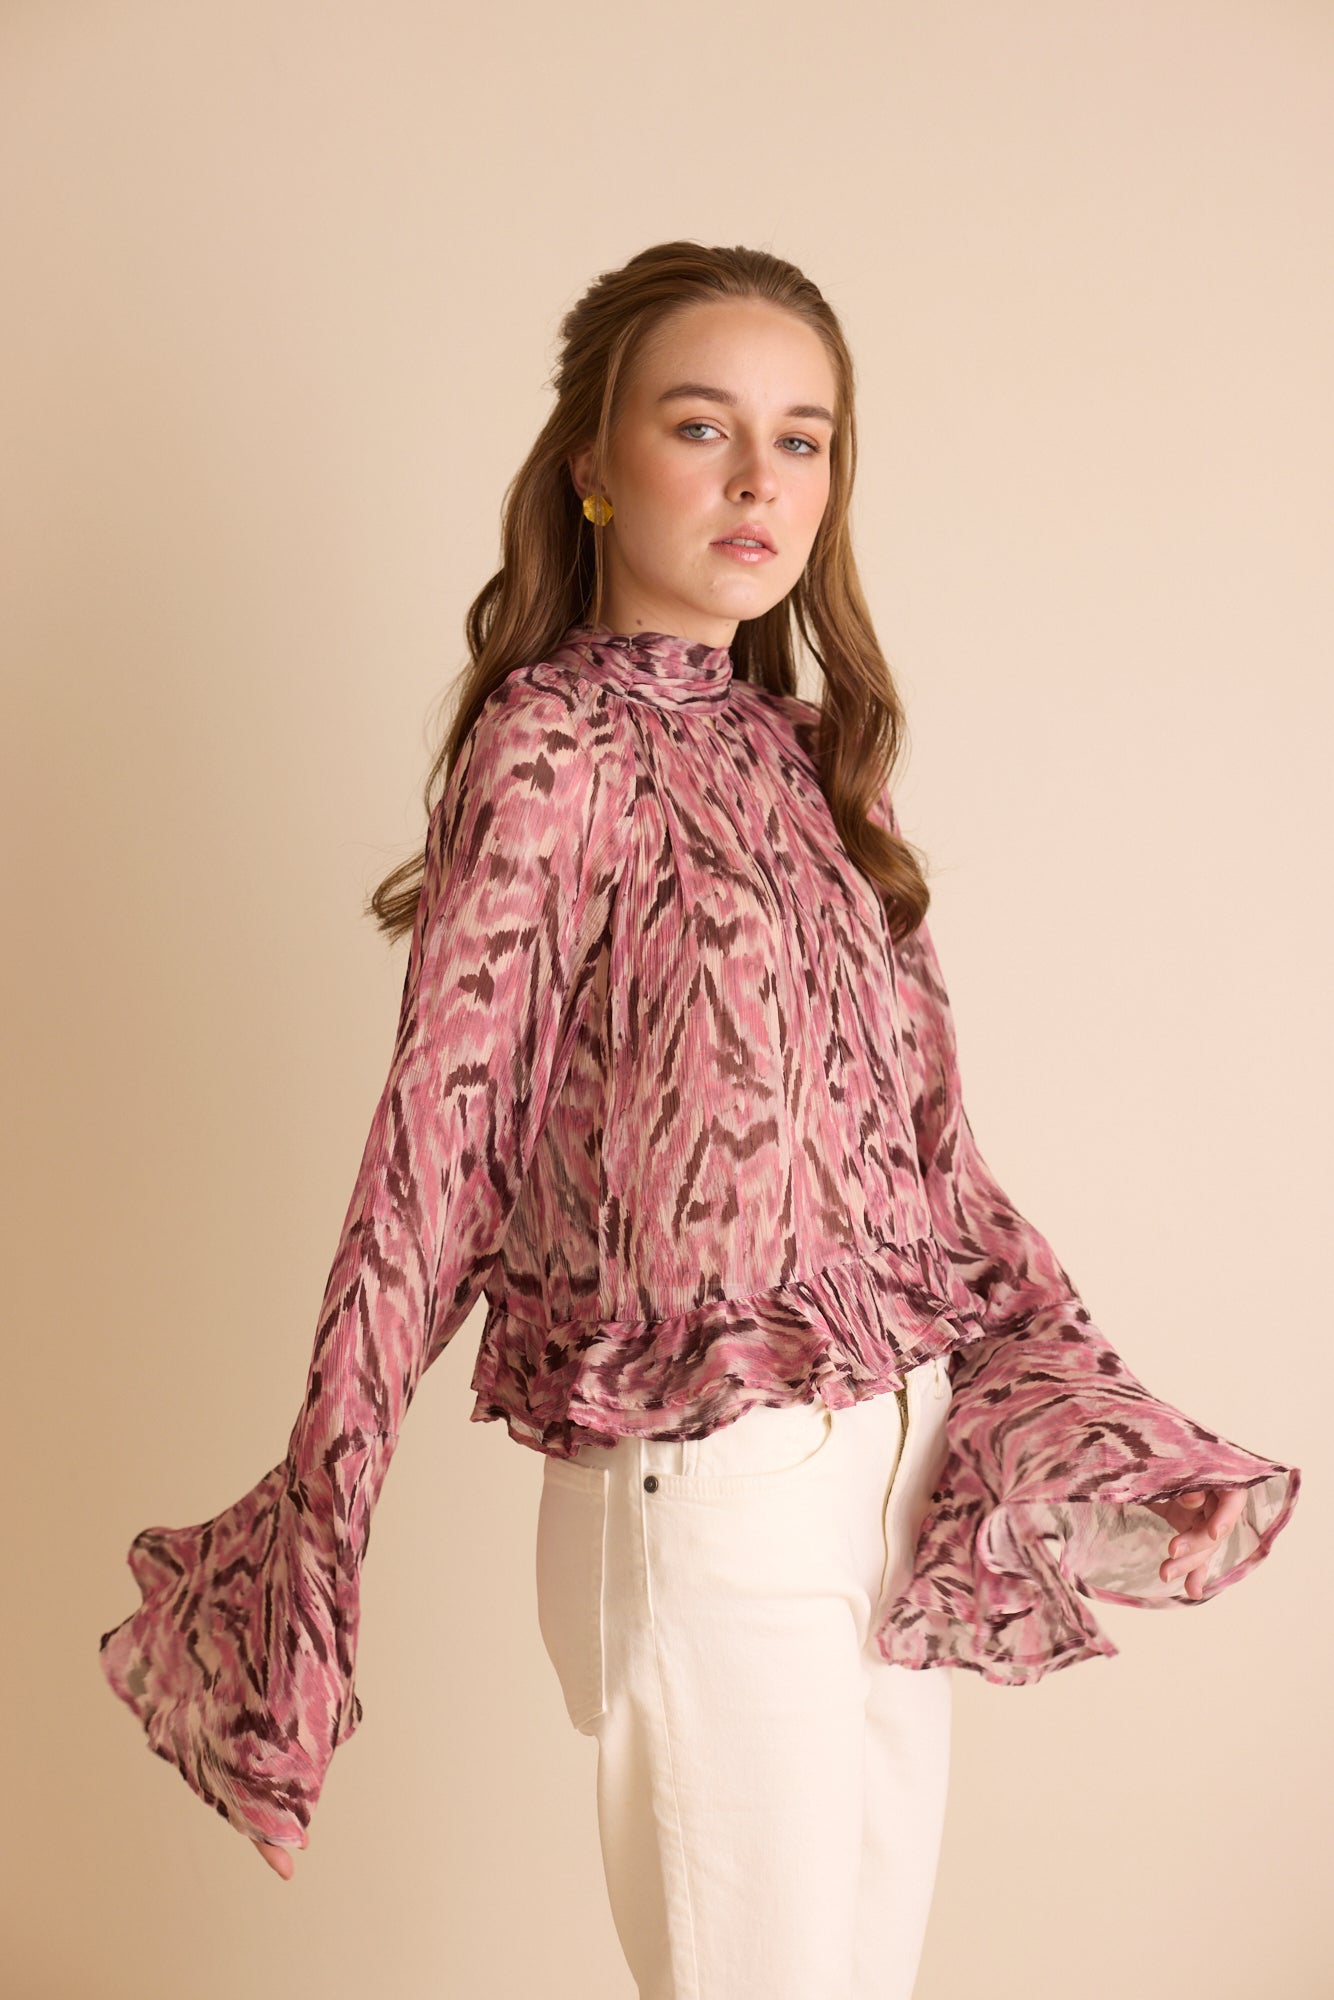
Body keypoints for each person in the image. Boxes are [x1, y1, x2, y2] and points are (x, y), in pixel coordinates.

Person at [98, 241, 1300, 1999]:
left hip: (893, 1466)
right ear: (593, 461)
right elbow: (438, 1150)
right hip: (709, 1485)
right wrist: (319, 1519)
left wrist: (1058, 1372)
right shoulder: (551, 745)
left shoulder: (815, 763)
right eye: (700, 426)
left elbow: (923, 1152)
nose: (758, 481)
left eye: (801, 439)